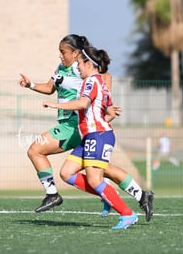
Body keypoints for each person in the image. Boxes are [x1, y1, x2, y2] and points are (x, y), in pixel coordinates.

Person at [20, 34, 154, 222]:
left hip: (74, 125)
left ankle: (53, 194)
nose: (60, 55)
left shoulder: (81, 67)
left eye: (63, 52)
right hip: (76, 126)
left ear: (76, 53)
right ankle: (139, 196)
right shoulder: (61, 67)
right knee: (100, 170)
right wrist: (31, 85)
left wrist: (104, 103)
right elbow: (51, 88)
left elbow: (104, 77)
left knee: (35, 150)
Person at [43, 46, 138, 229]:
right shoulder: (99, 82)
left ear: (89, 63)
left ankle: (127, 214)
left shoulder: (91, 81)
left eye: (79, 63)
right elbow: (109, 109)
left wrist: (56, 105)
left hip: (98, 135)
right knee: (66, 173)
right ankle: (108, 196)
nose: (77, 67)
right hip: (92, 135)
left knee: (95, 180)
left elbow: (83, 103)